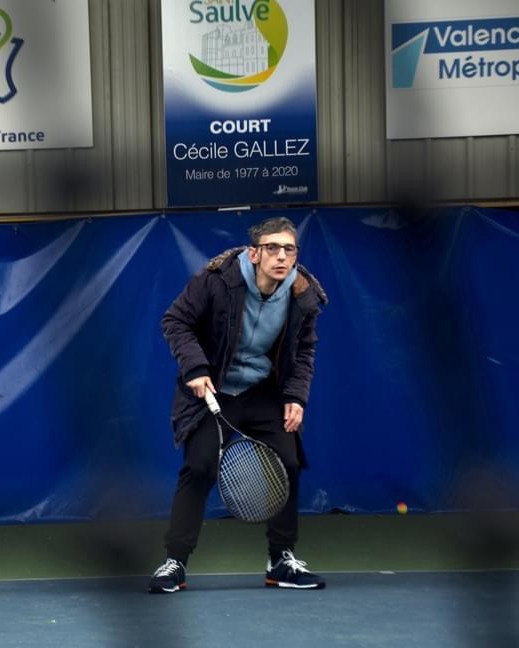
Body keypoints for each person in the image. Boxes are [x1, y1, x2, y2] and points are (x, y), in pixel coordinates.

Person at [148, 216, 328, 593]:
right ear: (254, 253)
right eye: (272, 248)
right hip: (213, 391)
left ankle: (280, 560)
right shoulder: (216, 281)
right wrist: (195, 368)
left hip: (264, 393)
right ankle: (174, 562)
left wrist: (296, 397)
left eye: (289, 249)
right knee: (199, 468)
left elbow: (304, 351)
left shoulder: (302, 294)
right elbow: (175, 321)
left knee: (288, 463)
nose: (282, 256)